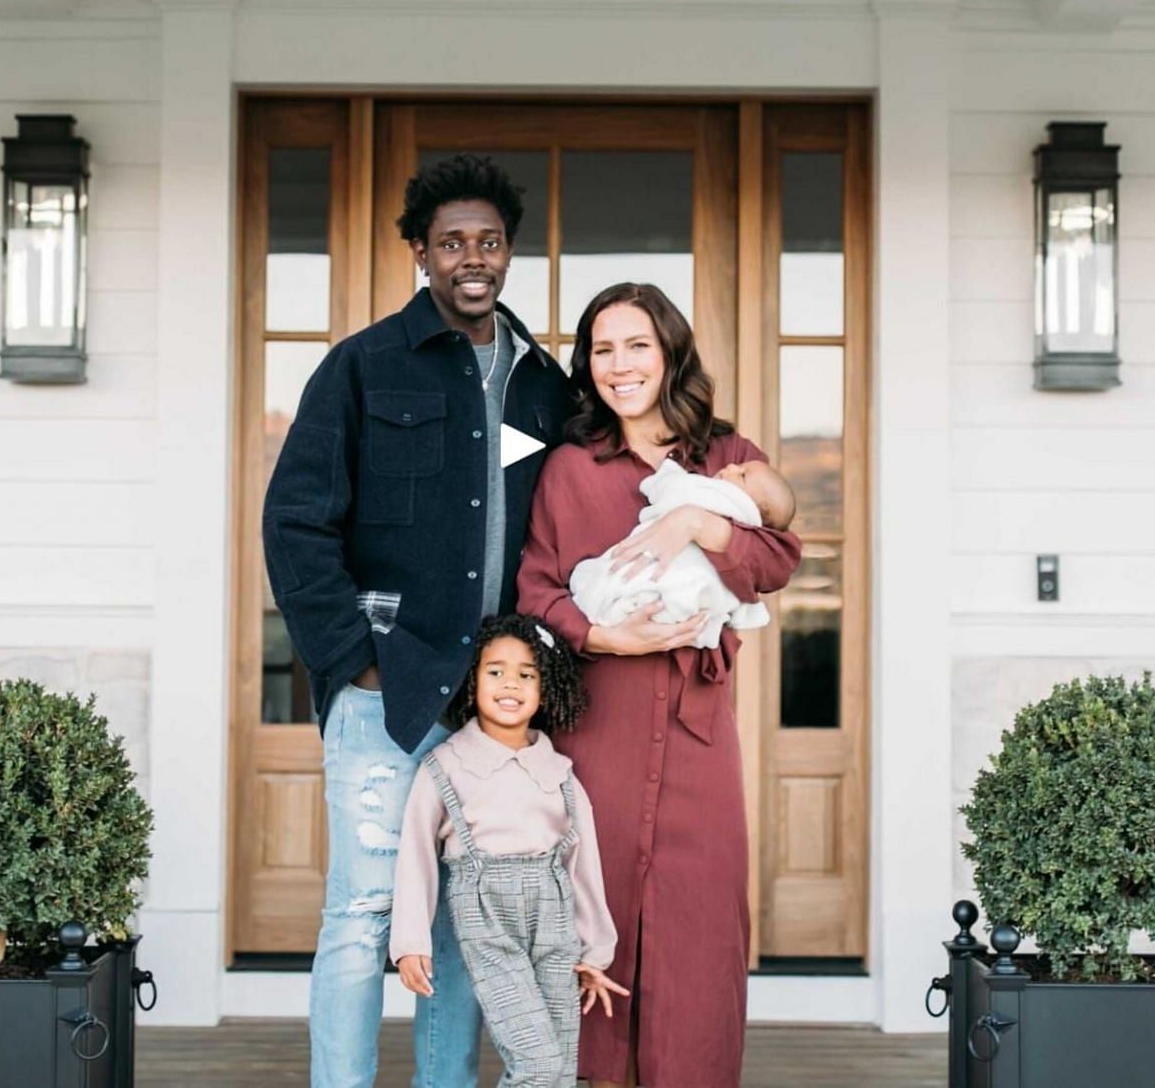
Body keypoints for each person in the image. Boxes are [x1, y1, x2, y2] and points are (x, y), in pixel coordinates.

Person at [263, 155, 574, 1088]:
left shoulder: (541, 384)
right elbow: (295, 523)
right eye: (451, 243)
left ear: (508, 252)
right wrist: (354, 661)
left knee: (461, 922)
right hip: (386, 697)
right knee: (362, 915)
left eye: (487, 242)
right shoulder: (362, 366)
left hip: (492, 712)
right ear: (419, 253)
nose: (470, 259)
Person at [516, 282, 802, 1088]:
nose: (620, 365)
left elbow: (778, 558)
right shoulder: (570, 469)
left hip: (698, 734)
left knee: (700, 924)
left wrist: (695, 523)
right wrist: (605, 634)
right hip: (596, 730)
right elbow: (536, 588)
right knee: (592, 916)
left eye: (637, 344)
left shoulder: (726, 456)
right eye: (602, 350)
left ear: (670, 350)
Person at [391, 613, 627, 1088]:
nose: (510, 684)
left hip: (555, 923)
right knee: (536, 1066)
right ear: (471, 680)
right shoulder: (446, 766)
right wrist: (410, 942)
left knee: (559, 1069)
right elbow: (415, 857)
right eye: (495, 671)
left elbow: (583, 866)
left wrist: (596, 950)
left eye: (526, 674)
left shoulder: (558, 771)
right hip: (487, 922)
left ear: (545, 687)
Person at [569, 457, 796, 649]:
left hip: (693, 669)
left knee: (654, 582)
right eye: (739, 465)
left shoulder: (716, 483)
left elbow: (778, 561)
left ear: (754, 507)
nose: (732, 466)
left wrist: (696, 521)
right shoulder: (571, 463)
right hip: (669, 627)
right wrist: (603, 639)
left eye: (743, 475)